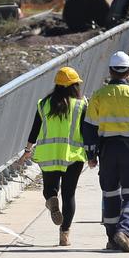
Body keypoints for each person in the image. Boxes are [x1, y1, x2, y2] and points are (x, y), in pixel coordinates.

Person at [83, 51, 129, 252]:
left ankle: (112, 238)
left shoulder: (98, 96)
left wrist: (91, 154)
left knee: (110, 194)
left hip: (107, 151)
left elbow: (89, 128)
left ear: (110, 71)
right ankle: (124, 231)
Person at [22, 66, 87, 246]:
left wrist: (27, 150)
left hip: (48, 155)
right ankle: (64, 234)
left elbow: (34, 129)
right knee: (69, 195)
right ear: (74, 86)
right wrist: (92, 152)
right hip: (73, 156)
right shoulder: (81, 104)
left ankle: (51, 201)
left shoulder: (43, 104)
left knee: (50, 190)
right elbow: (86, 131)